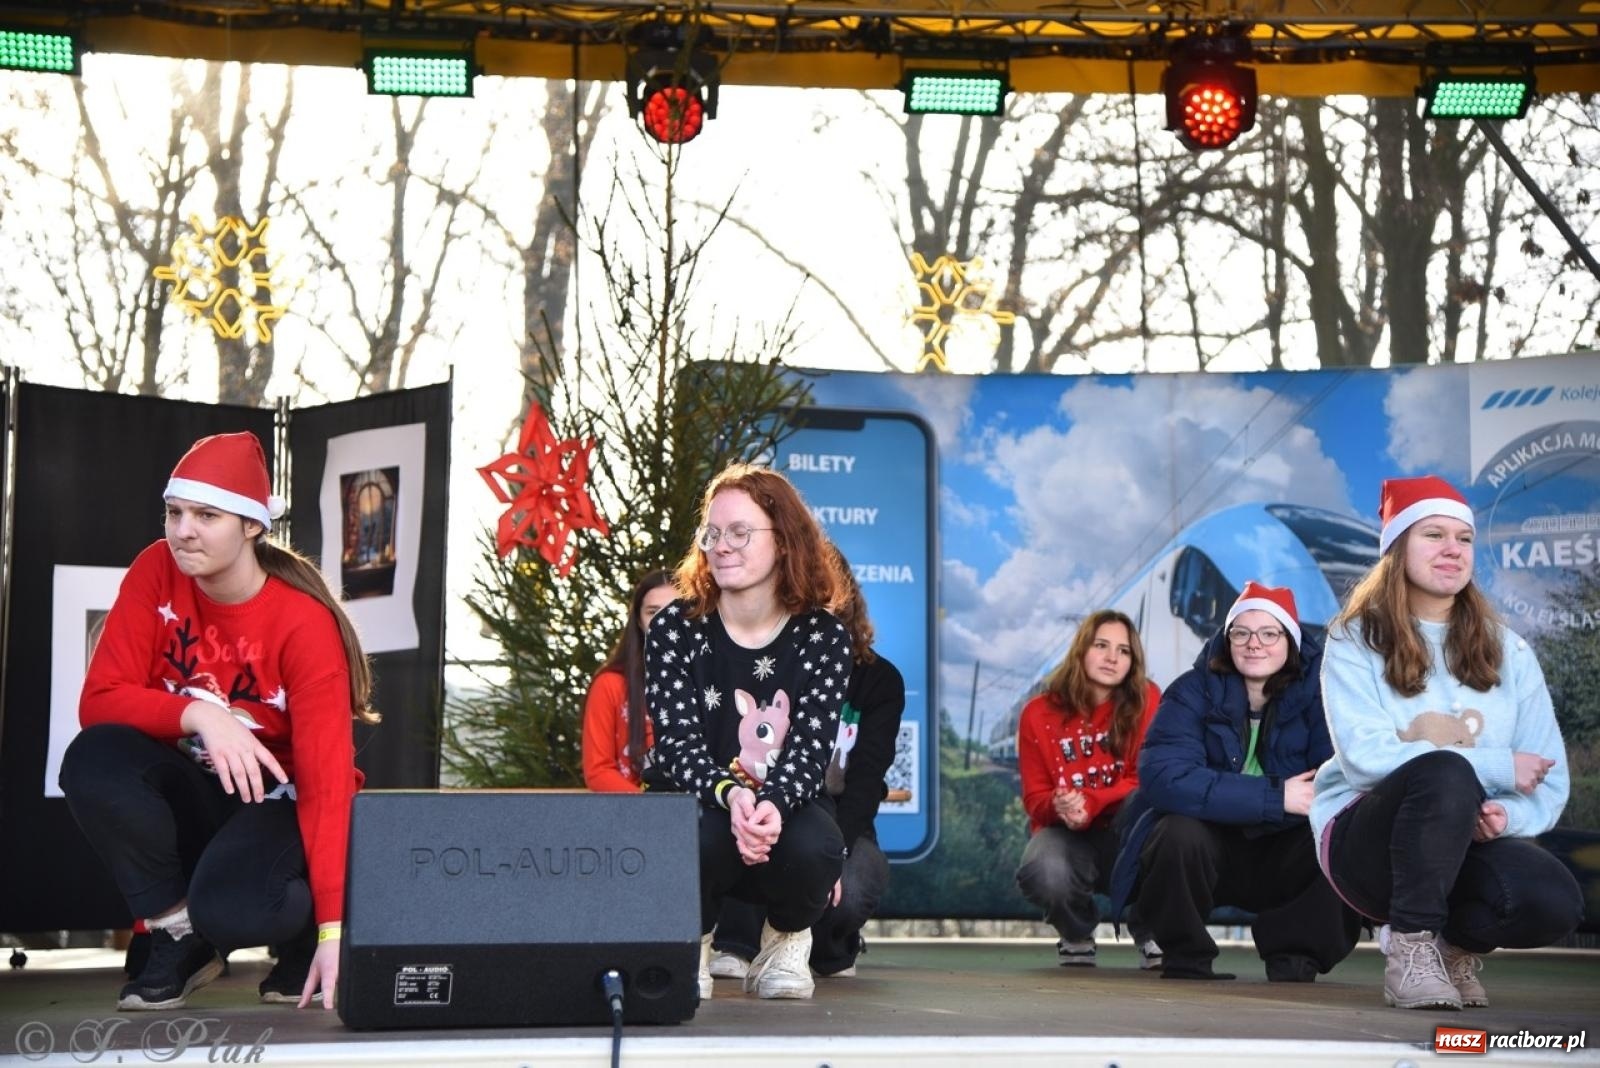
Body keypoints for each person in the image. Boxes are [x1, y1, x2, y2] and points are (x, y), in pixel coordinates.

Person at [59, 432, 373, 1012]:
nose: (183, 530)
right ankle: (180, 931)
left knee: (239, 909)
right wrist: (199, 713)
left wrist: (334, 929)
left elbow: (329, 785)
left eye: (206, 515)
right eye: (174, 513)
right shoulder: (157, 570)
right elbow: (99, 700)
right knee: (93, 759)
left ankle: (298, 934)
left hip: (280, 804)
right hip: (204, 791)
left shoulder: (303, 624)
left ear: (252, 525)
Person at [1313, 475, 1582, 1010]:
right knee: (1445, 771)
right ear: (1396, 548)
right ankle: (1410, 948)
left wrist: (1505, 816)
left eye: (1463, 538)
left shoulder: (1511, 651)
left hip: (1465, 841)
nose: (1452, 550)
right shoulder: (1354, 639)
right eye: (1434, 535)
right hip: (1366, 845)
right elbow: (1367, 761)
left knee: (1553, 900)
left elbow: (1548, 777)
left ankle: (1452, 948)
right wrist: (1497, 768)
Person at [645, 463, 849, 1000]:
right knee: (693, 833)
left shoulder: (823, 635)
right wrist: (732, 794)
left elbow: (808, 752)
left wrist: (770, 805)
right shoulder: (675, 627)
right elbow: (676, 745)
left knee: (817, 846)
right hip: (700, 800)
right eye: (712, 533)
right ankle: (691, 939)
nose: (722, 546)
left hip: (782, 803)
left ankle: (785, 938)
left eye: (740, 532)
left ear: (783, 541)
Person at [1109, 582, 1361, 981]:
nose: (1253, 644)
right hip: (1212, 847)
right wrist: (1276, 797)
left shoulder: (1324, 694)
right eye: (1240, 633)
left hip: (1285, 848)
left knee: (1343, 835)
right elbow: (1166, 777)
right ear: (1226, 641)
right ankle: (1185, 956)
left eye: (1269, 633)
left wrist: (1291, 802)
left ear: (1291, 642)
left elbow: (1338, 778)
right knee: (1174, 831)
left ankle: (1295, 959)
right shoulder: (1191, 691)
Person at [707, 547, 907, 981]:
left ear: (846, 596)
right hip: (760, 804)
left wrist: (837, 853)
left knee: (846, 890)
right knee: (752, 842)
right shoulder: (762, 661)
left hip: (839, 813)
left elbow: (865, 781)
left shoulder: (879, 680)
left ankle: (824, 947)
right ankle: (737, 943)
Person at [1014, 610, 1162, 968]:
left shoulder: (1148, 700)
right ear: (1081, 650)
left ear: (1133, 661)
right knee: (1043, 868)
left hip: (1130, 831)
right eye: (1101, 645)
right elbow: (1035, 799)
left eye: (1124, 651)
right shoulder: (1037, 713)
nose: (1112, 657)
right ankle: (1076, 932)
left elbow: (1146, 779)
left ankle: (1151, 930)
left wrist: (1091, 801)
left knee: (1170, 835)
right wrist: (1059, 805)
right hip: (1068, 836)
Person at [582, 569, 676, 793]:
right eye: (653, 612)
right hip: (634, 817)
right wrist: (654, 810)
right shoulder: (610, 685)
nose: (663, 621)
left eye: (675, 611)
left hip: (705, 815)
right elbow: (598, 770)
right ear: (638, 621)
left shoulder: (708, 679)